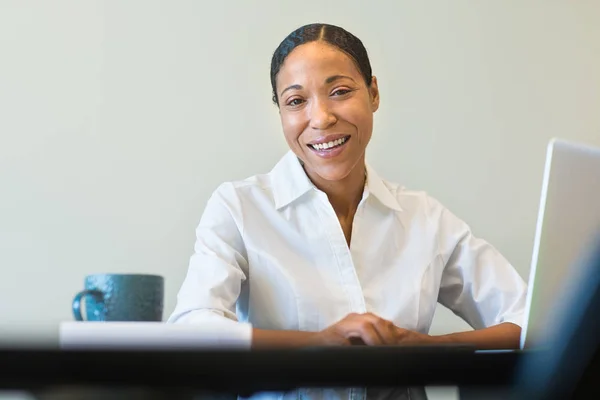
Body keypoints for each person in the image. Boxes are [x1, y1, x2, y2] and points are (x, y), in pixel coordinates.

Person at [168, 22, 527, 398]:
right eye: (296, 101)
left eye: (339, 91)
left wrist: (428, 346)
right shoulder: (239, 207)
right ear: (281, 113)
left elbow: (527, 318)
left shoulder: (424, 218)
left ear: (373, 93)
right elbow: (194, 327)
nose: (321, 118)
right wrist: (317, 344)